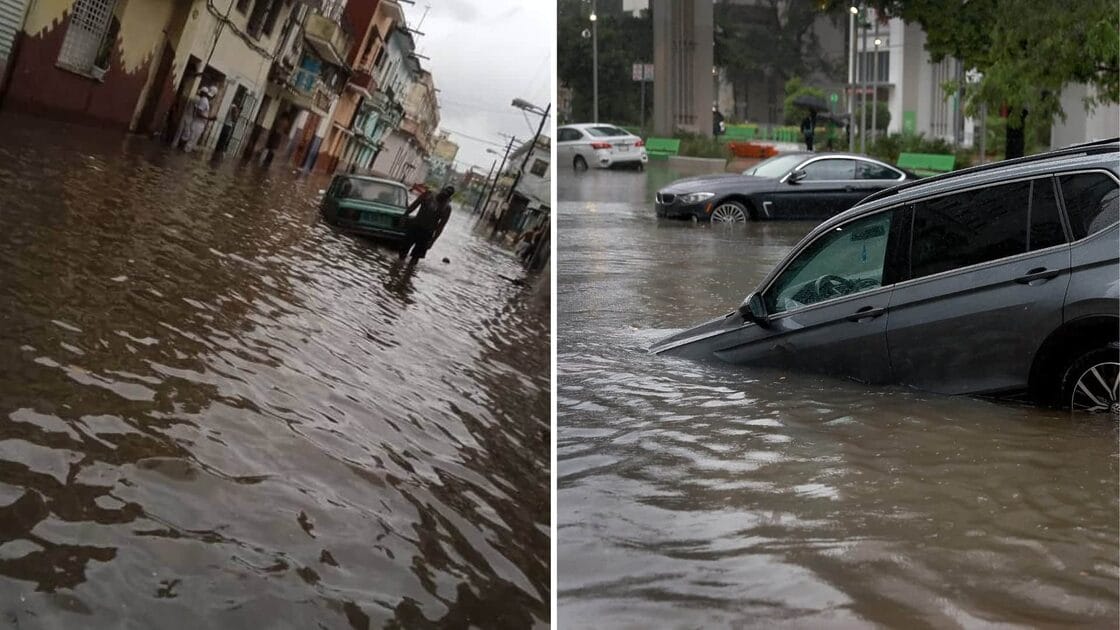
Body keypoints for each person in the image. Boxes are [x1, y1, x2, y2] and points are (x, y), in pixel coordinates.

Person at [399, 185, 454, 261]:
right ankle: (398, 268)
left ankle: (409, 270)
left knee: (415, 257)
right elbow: (414, 205)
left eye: (447, 194)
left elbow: (441, 226)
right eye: (445, 191)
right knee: (403, 251)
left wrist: (432, 241)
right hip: (415, 226)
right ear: (441, 190)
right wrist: (404, 216)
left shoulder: (447, 208)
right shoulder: (428, 195)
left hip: (427, 233)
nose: (445, 194)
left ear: (449, 197)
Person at [180, 86, 217, 152]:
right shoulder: (204, 101)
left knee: (191, 143)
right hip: (197, 124)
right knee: (189, 144)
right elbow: (198, 113)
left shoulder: (205, 101)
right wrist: (209, 118)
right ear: (214, 96)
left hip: (199, 124)